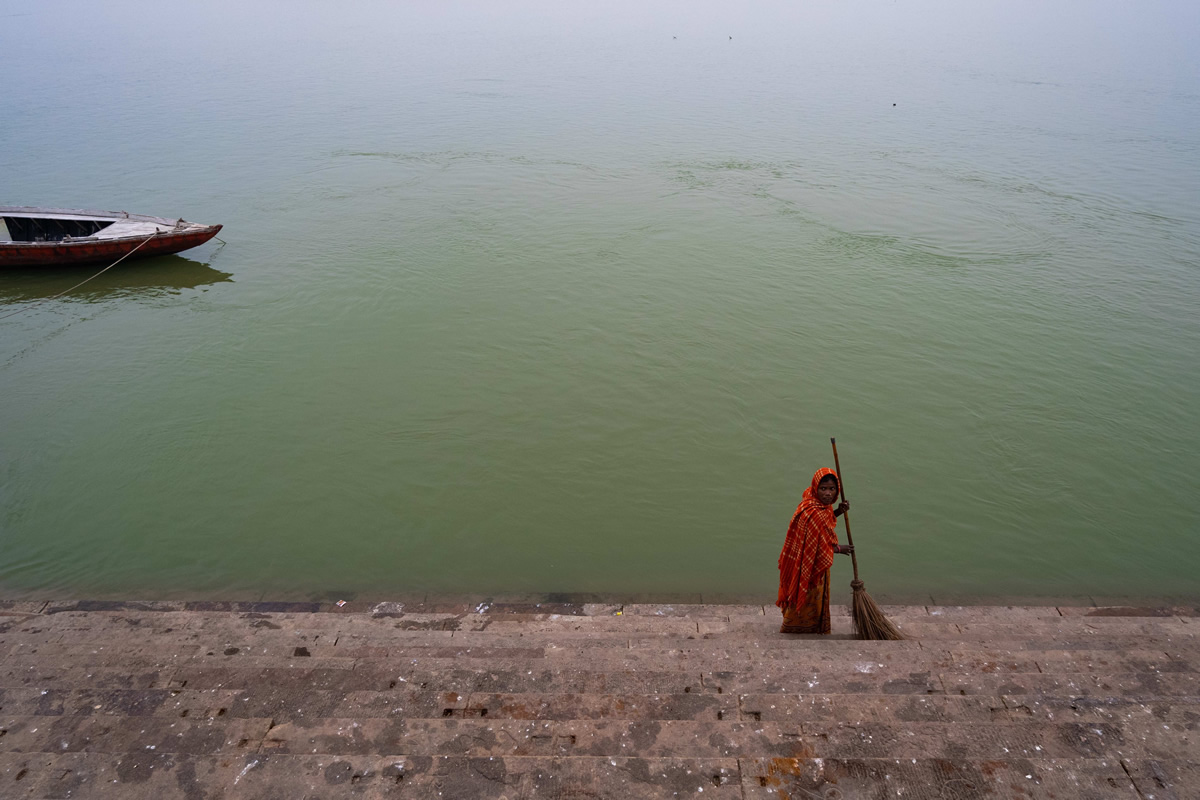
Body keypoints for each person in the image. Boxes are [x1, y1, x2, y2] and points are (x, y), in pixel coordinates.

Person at [776, 468, 853, 634]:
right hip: (809, 566)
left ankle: (810, 625)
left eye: (832, 489)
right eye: (823, 488)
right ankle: (795, 626)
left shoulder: (820, 507)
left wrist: (839, 511)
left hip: (811, 563)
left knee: (813, 596)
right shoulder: (812, 510)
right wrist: (839, 548)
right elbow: (816, 547)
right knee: (808, 593)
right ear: (815, 488)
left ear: (837, 490)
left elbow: (822, 524)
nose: (827, 493)